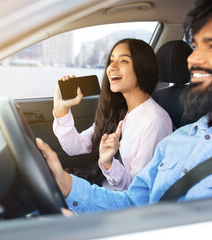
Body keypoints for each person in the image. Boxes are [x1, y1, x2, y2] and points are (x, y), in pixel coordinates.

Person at [36, 0, 212, 214]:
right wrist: (64, 182)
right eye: (194, 46)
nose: (193, 58)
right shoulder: (181, 138)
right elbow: (133, 205)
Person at [52, 38, 173, 191]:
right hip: (100, 190)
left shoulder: (155, 120)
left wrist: (109, 164)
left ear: (143, 68)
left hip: (118, 204)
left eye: (123, 61)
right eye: (111, 60)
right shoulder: (117, 111)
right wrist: (61, 111)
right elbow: (74, 147)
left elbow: (137, 189)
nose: (111, 67)